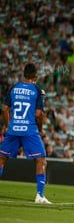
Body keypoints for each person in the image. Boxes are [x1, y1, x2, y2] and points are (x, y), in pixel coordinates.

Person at [0, 63, 51, 204]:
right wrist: (40, 130)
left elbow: (4, 109)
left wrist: (7, 125)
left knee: (2, 159)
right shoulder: (37, 90)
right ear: (36, 75)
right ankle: (40, 196)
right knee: (40, 160)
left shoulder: (14, 89)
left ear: (23, 75)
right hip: (29, 130)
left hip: (13, 128)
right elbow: (39, 114)